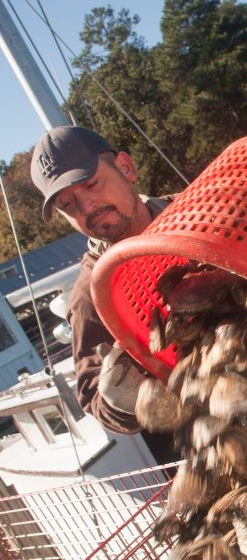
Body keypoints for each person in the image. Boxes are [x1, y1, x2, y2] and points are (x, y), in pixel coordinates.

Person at [30, 125, 174, 449]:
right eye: (68, 205)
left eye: (91, 184)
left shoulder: (200, 208)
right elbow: (93, 397)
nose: (86, 208)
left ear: (126, 167)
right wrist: (118, 400)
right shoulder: (91, 297)